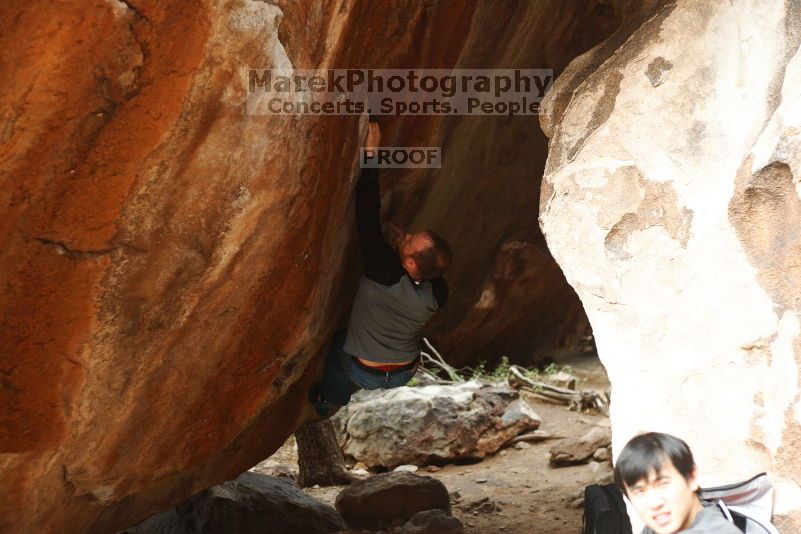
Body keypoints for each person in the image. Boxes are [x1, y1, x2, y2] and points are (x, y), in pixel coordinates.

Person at [309, 121, 452, 417]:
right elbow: (417, 270)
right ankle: (339, 390)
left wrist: (371, 155)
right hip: (404, 371)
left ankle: (328, 400)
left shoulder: (381, 271)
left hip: (364, 372)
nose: (408, 234)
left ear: (410, 262)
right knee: (354, 342)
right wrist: (402, 245)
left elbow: (366, 212)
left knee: (339, 342)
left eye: (410, 239)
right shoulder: (438, 291)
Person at [614, 432, 741, 534]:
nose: (654, 503)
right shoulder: (654, 529)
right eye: (640, 491)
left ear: (692, 477)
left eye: (663, 484)